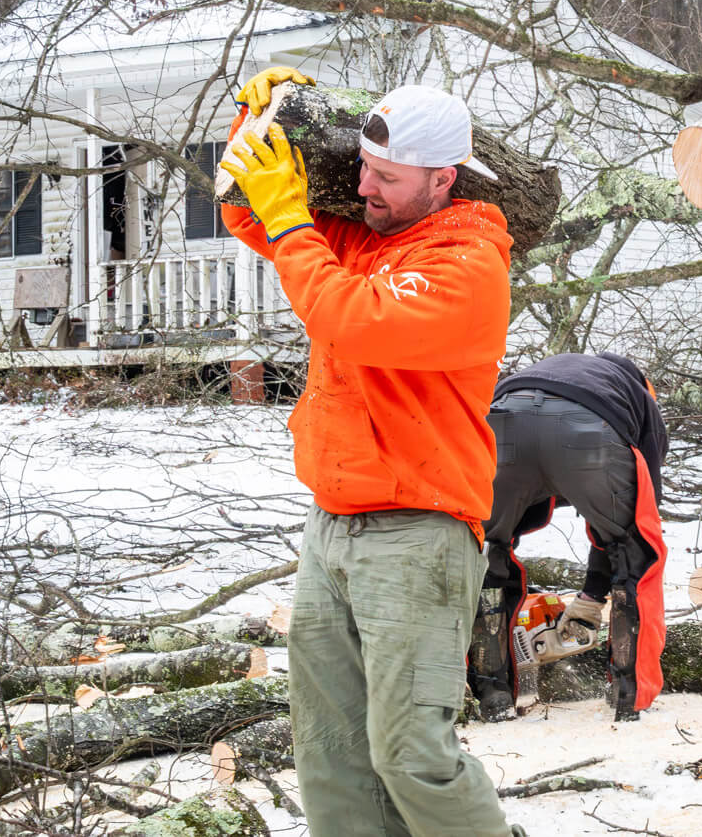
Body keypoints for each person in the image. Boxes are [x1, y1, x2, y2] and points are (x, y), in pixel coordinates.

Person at [219, 66, 523, 837]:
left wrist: (293, 225)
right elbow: (244, 209)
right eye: (362, 168)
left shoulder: (467, 266)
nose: (364, 188)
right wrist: (259, 120)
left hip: (417, 536)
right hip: (332, 529)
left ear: (443, 179)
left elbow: (348, 318)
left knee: (411, 754)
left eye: (386, 176)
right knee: (331, 755)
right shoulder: (365, 238)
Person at [465, 351, 668, 723]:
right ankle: (629, 696)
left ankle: (491, 695)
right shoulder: (639, 400)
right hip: (584, 427)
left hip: (503, 420)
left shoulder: (558, 370)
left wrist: (590, 597)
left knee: (484, 551)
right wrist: (596, 593)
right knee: (636, 549)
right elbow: (635, 522)